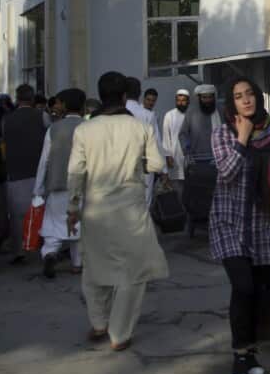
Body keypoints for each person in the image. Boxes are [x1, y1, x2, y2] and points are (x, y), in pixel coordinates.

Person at [67, 71, 168, 352]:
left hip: (95, 208)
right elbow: (158, 165)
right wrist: (138, 165)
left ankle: (99, 323)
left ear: (100, 96)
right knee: (133, 273)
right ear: (125, 97)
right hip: (131, 208)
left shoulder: (84, 130)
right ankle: (119, 334)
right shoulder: (140, 127)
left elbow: (75, 174)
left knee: (93, 267)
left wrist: (72, 209)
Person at [210, 77, 270, 374]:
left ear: (258, 97)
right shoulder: (223, 132)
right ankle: (239, 355)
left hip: (262, 223)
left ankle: (251, 353)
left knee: (259, 290)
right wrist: (242, 140)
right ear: (231, 103)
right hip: (229, 220)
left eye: (249, 94)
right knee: (243, 286)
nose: (245, 100)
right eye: (237, 96)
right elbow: (227, 173)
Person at [32, 89, 87, 279]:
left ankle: (49, 253)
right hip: (83, 187)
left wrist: (38, 189)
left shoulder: (54, 129)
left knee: (54, 225)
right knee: (79, 227)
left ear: (64, 105)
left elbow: (44, 161)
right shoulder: (90, 127)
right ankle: (77, 264)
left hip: (57, 185)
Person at [1, 84, 49, 265]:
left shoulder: (7, 120)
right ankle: (41, 245)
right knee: (40, 211)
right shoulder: (42, 116)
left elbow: (4, 143)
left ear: (17, 98)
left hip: (15, 172)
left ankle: (18, 250)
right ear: (32, 99)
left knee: (16, 215)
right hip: (38, 172)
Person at [125, 77, 163, 206]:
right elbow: (156, 142)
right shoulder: (147, 115)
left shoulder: (114, 113)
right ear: (140, 93)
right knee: (144, 204)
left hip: (119, 165)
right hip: (144, 165)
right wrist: (163, 171)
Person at [162, 89, 189, 198]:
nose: (181, 103)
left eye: (183, 100)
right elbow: (165, 137)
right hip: (175, 157)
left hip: (189, 156)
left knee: (191, 185)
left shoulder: (192, 113)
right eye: (178, 100)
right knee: (177, 188)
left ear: (188, 101)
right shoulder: (169, 115)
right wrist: (168, 156)